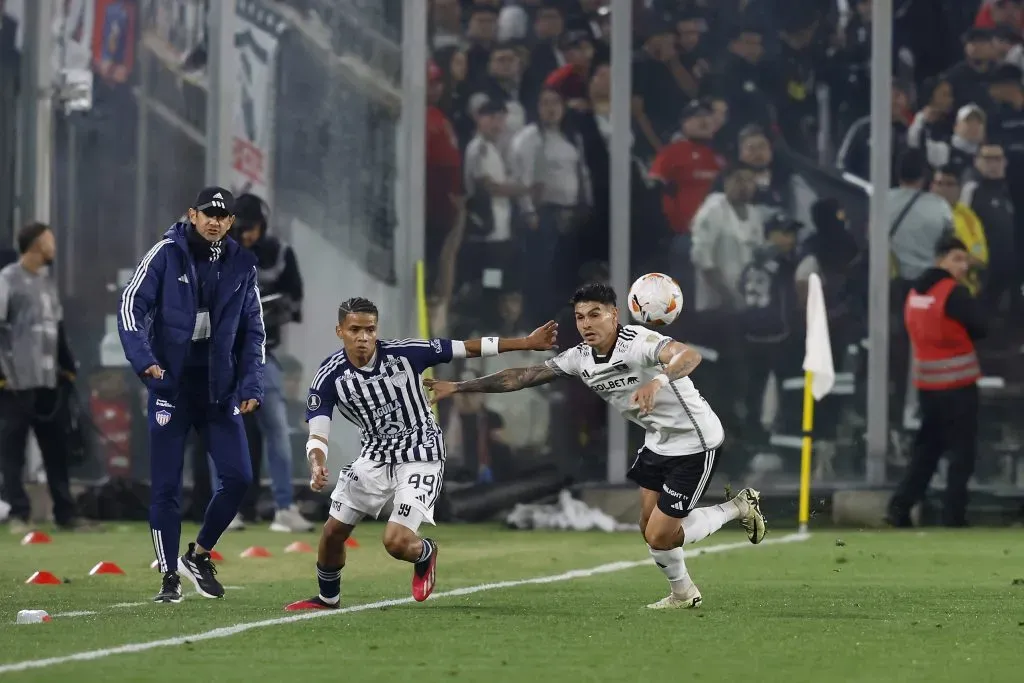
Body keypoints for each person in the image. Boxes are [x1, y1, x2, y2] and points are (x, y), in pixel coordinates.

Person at [425, 283, 767, 610]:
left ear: (615, 314)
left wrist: (658, 382)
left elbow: (688, 355)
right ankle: (683, 594)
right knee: (647, 529)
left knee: (661, 536)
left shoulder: (639, 342)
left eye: (595, 314)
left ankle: (737, 508)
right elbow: (523, 376)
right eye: (580, 317)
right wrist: (457, 386)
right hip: (657, 441)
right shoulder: (579, 357)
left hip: (695, 441)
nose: (586, 324)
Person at [284, 298, 558, 611]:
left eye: (370, 329)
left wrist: (526, 342)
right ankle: (327, 599)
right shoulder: (329, 376)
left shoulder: (405, 352)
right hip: (374, 455)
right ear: (340, 331)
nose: (363, 337)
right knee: (333, 532)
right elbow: (318, 432)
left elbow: (467, 347)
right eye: (355, 329)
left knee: (396, 542)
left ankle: (424, 552)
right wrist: (317, 463)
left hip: (420, 451)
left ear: (377, 330)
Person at [118, 187, 266, 604]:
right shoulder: (166, 252)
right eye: (208, 213)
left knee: (239, 478)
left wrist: (251, 383)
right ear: (192, 215)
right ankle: (168, 577)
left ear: (231, 222)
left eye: (223, 215)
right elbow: (131, 304)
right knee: (166, 487)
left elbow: (254, 330)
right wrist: (144, 359)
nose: (215, 221)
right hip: (172, 386)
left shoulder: (241, 264)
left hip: (218, 391)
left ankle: (198, 555)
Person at [888, 237, 986, 528]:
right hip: (958, 385)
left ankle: (900, 506)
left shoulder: (915, 291)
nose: (963, 266)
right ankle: (953, 516)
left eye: (965, 260)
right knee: (962, 453)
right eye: (957, 259)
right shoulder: (954, 293)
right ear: (940, 260)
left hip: (927, 386)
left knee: (927, 450)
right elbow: (981, 327)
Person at [0, 223, 89, 533]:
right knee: (13, 449)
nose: (54, 246)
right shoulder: (7, 279)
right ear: (36, 245)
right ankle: (18, 513)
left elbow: (57, 328)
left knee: (56, 448)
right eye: (50, 241)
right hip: (15, 381)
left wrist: (67, 365)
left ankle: (66, 513)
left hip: (49, 380)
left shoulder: (48, 282)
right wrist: (2, 374)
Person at [231, 193, 313, 533]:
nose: (246, 235)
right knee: (227, 432)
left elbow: (296, 300)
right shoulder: (219, 251)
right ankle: (227, 509)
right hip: (225, 356)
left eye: (251, 228)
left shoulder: (279, 253)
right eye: (241, 228)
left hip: (263, 355)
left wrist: (275, 308)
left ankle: (284, 507)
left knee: (277, 430)